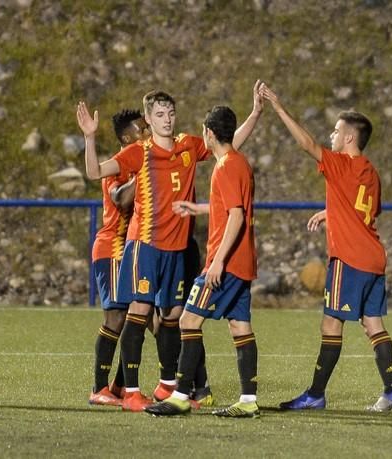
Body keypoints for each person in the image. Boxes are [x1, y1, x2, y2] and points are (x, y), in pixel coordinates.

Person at [76, 80, 263, 412]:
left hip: (177, 250)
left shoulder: (188, 145)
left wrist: (254, 114)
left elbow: (228, 143)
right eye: (160, 114)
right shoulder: (138, 152)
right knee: (139, 312)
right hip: (146, 246)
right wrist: (90, 137)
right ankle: (131, 392)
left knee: (173, 316)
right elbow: (94, 172)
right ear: (148, 119)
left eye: (171, 113)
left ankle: (167, 386)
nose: (167, 119)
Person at [259, 83, 392, 412]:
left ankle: (315, 394)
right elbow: (368, 209)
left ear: (350, 138)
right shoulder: (370, 171)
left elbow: (306, 143)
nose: (332, 135)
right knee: (373, 325)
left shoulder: (341, 164)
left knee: (330, 325)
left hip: (349, 258)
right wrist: (332, 211)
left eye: (337, 131)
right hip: (373, 257)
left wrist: (279, 107)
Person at [145, 104, 260, 418]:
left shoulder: (226, 166)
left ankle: (181, 395)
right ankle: (248, 400)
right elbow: (234, 209)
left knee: (188, 320)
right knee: (240, 326)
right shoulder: (239, 162)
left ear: (209, 133)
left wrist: (218, 262)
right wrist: (200, 210)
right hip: (243, 262)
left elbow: (236, 216)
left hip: (227, 264)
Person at [88, 109, 149, 406]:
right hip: (112, 247)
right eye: (142, 129)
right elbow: (120, 199)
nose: (148, 133)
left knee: (138, 317)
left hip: (134, 249)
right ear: (127, 138)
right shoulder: (121, 164)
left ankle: (120, 386)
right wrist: (145, 170)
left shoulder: (145, 161)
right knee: (116, 316)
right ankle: (99, 389)